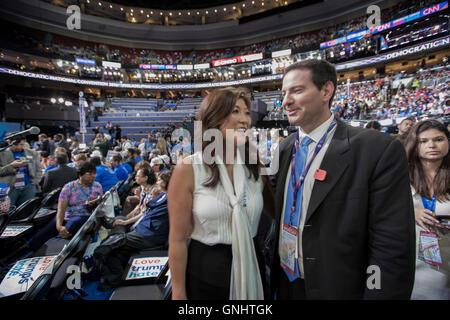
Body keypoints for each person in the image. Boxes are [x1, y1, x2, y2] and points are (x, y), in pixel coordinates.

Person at [270, 59, 415, 299]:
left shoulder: (376, 149)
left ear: (326, 91)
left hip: (340, 288)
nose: (286, 101)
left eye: (297, 90)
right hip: (287, 285)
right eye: (284, 93)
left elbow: (390, 245)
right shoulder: (285, 148)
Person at [168, 87, 273, 300]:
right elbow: (177, 240)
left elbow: (277, 213)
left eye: (246, 112)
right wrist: (179, 293)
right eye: (235, 111)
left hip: (253, 268)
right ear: (214, 118)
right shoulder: (188, 168)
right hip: (205, 275)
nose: (245, 119)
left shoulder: (255, 166)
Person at [95, 169, 170, 291]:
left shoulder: (173, 199)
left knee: (109, 245)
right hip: (143, 230)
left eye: (161, 180)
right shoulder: (163, 195)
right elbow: (145, 211)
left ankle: (112, 278)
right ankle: (115, 276)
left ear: (168, 183)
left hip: (150, 235)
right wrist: (125, 221)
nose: (158, 181)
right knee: (114, 248)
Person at [404, 119, 450, 299]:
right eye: (423, 141)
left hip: (446, 254)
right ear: (415, 145)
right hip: (413, 256)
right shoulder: (399, 174)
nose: (432, 145)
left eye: (439, 139)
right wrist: (410, 211)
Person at [27, 161, 103, 251]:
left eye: (94, 173)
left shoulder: (97, 186)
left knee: (72, 224)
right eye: (90, 174)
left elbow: (101, 203)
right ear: (80, 174)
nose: (93, 176)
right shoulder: (69, 187)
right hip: (67, 216)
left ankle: (55, 250)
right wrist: (59, 226)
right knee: (43, 234)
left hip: (84, 217)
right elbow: (61, 209)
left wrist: (96, 202)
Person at [0, 137, 42, 207]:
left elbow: (39, 169)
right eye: (17, 145)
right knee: (5, 211)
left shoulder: (32, 153)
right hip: (6, 187)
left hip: (28, 186)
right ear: (9, 143)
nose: (20, 147)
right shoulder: (1, 154)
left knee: (25, 211)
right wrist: (11, 166)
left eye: (22, 144)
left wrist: (35, 181)